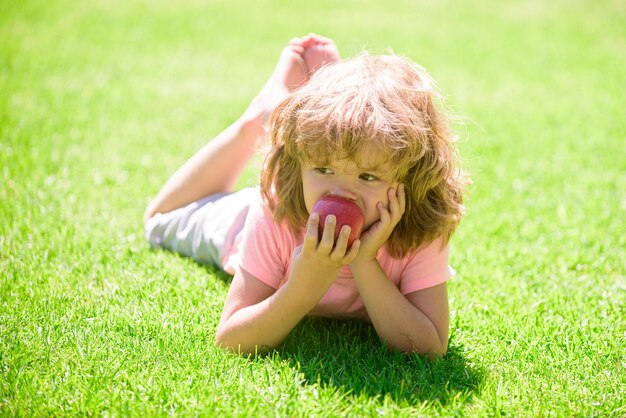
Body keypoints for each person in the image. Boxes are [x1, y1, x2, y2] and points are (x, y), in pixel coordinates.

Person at [144, 34, 467, 357]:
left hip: (308, 188)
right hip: (243, 220)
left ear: (410, 179)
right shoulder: (273, 212)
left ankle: (323, 108)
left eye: (367, 176)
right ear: (299, 165)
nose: (341, 192)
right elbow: (231, 340)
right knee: (156, 222)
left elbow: (430, 347)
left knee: (347, 146)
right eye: (323, 170)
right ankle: (262, 118)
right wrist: (302, 286)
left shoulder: (418, 227)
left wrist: (365, 262)